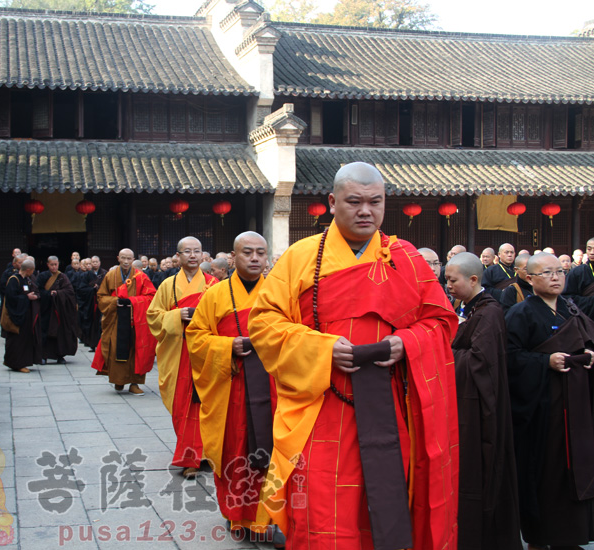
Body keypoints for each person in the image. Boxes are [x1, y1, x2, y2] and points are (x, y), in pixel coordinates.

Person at [248, 162, 459, 549]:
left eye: (375, 202)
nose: (366, 211)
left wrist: (407, 343)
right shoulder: (301, 257)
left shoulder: (406, 258)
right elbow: (263, 323)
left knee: (390, 504)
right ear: (332, 202)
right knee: (322, 511)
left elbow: (441, 322)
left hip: (391, 406)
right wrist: (322, 349)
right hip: (322, 406)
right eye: (355, 202)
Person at [186, 232, 281, 543]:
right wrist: (228, 345)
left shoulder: (280, 292)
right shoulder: (215, 295)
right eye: (247, 252)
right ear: (233, 256)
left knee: (274, 450)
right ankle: (236, 514)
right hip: (232, 389)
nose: (255, 258)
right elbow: (196, 337)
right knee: (234, 451)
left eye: (261, 253)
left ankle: (270, 518)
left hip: (273, 389)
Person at [506, 253, 594, 550]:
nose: (556, 277)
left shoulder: (571, 308)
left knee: (576, 466)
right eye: (547, 273)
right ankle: (541, 537)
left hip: (575, 405)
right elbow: (508, 357)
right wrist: (545, 362)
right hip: (543, 411)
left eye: (559, 271)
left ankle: (572, 536)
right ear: (529, 278)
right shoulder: (521, 313)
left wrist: (588, 355)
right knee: (546, 472)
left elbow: (587, 339)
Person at [444, 253, 521, 550]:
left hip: (480, 408)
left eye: (453, 280)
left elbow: (480, 362)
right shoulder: (467, 307)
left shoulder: (489, 313)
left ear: (473, 280)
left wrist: (443, 354)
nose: (448, 285)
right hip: (464, 401)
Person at [147, 237, 218, 478]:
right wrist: (178, 315)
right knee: (182, 407)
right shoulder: (167, 285)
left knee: (206, 406)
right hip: (178, 354)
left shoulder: (213, 284)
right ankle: (191, 456)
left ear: (203, 256)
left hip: (205, 354)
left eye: (197, 251)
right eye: (187, 251)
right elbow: (153, 316)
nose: (193, 255)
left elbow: (223, 316)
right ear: (178, 256)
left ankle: (203, 454)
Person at [91, 248, 157, 394]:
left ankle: (135, 383)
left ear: (133, 259)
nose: (126, 261)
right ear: (118, 258)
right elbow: (101, 296)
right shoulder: (111, 275)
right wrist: (116, 301)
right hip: (116, 318)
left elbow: (152, 297)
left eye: (129, 259)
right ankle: (118, 380)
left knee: (137, 349)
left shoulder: (141, 276)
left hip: (136, 321)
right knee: (115, 349)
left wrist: (131, 302)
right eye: (123, 258)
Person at [37, 256, 80, 364]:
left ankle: (60, 355)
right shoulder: (42, 276)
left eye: (56, 264)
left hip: (60, 310)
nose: (54, 267)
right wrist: (49, 294)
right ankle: (43, 356)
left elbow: (70, 292)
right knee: (45, 332)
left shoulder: (62, 277)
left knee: (60, 333)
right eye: (52, 264)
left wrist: (58, 294)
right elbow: (38, 291)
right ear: (48, 265)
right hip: (47, 309)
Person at [2, 259, 43, 372]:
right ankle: (17, 364)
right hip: (16, 315)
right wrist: (26, 298)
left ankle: (20, 362)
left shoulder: (26, 279)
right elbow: (11, 299)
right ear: (28, 270)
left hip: (25, 315)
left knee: (24, 340)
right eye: (32, 271)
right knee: (16, 341)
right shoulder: (14, 280)